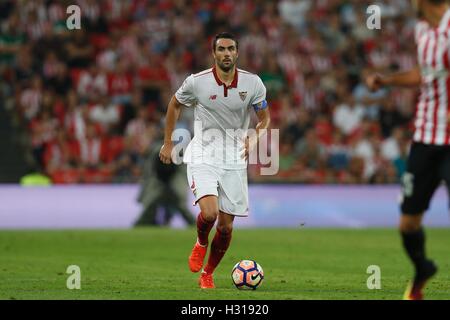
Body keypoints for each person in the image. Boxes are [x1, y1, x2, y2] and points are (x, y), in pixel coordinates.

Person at [159, 32, 271, 289]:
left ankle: (207, 273)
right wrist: (168, 142)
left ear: (237, 53)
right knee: (208, 214)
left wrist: (255, 137)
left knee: (225, 229)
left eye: (231, 48)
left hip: (234, 158)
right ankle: (200, 243)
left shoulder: (253, 83)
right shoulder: (197, 82)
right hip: (203, 154)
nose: (227, 53)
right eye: (221, 49)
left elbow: (265, 118)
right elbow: (175, 104)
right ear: (214, 54)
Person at [365, 0, 450, 300]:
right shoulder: (422, 29)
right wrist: (386, 80)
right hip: (426, 139)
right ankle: (423, 268)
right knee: (408, 223)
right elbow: (425, 73)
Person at [135, 141, 195, 227]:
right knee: (153, 204)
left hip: (174, 176)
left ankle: (194, 225)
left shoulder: (160, 151)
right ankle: (143, 224)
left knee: (179, 203)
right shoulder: (154, 154)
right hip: (160, 180)